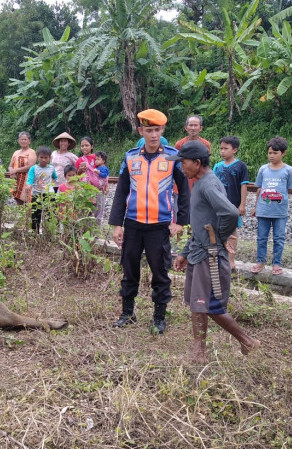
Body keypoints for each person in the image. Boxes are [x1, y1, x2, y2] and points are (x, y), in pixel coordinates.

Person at [171, 141, 261, 363]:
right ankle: (199, 351)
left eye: (183, 163)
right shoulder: (200, 183)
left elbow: (230, 213)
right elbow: (200, 223)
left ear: (197, 162)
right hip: (199, 253)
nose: (181, 167)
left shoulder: (208, 184)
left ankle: (248, 341)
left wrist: (218, 239)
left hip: (209, 256)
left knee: (208, 304)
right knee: (197, 303)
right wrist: (184, 252)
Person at [109, 109, 190, 335]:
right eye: (149, 130)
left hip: (159, 225)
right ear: (140, 130)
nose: (153, 135)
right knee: (129, 269)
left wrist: (180, 222)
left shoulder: (173, 157)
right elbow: (121, 191)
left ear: (162, 130)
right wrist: (118, 224)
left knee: (160, 271)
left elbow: (184, 192)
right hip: (133, 223)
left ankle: (159, 317)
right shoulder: (131, 156)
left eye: (157, 130)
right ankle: (127, 312)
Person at [251, 136, 292, 275]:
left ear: (283, 153)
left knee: (279, 238)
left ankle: (277, 263)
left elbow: (288, 189)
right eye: (270, 152)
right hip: (263, 210)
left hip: (280, 211)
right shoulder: (263, 169)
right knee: (261, 237)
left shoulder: (289, 170)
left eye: (275, 153)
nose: (271, 155)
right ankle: (260, 261)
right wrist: (255, 207)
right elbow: (259, 189)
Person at [213, 136, 249, 270]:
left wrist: (242, 205)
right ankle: (219, 256)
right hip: (218, 205)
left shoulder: (241, 166)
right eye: (221, 148)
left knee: (232, 232)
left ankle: (230, 259)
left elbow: (243, 186)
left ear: (234, 150)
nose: (222, 151)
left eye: (225, 148)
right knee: (218, 230)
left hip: (233, 205)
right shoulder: (217, 166)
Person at [26, 146, 58, 232]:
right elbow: (30, 179)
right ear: (37, 157)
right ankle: (35, 233)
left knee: (50, 214)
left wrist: (50, 185)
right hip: (36, 194)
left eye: (46, 157)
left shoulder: (51, 168)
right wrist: (29, 185)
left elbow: (55, 177)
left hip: (49, 194)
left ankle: (48, 233)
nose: (43, 159)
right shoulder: (33, 168)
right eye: (41, 157)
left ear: (49, 158)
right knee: (35, 214)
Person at [9, 131, 37, 205]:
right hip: (16, 180)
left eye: (25, 139)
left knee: (28, 201)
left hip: (27, 180)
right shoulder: (16, 152)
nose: (23, 141)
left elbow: (30, 166)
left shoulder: (31, 152)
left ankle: (28, 216)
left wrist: (16, 170)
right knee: (17, 201)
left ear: (29, 141)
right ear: (18, 141)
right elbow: (10, 166)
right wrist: (11, 172)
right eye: (21, 139)